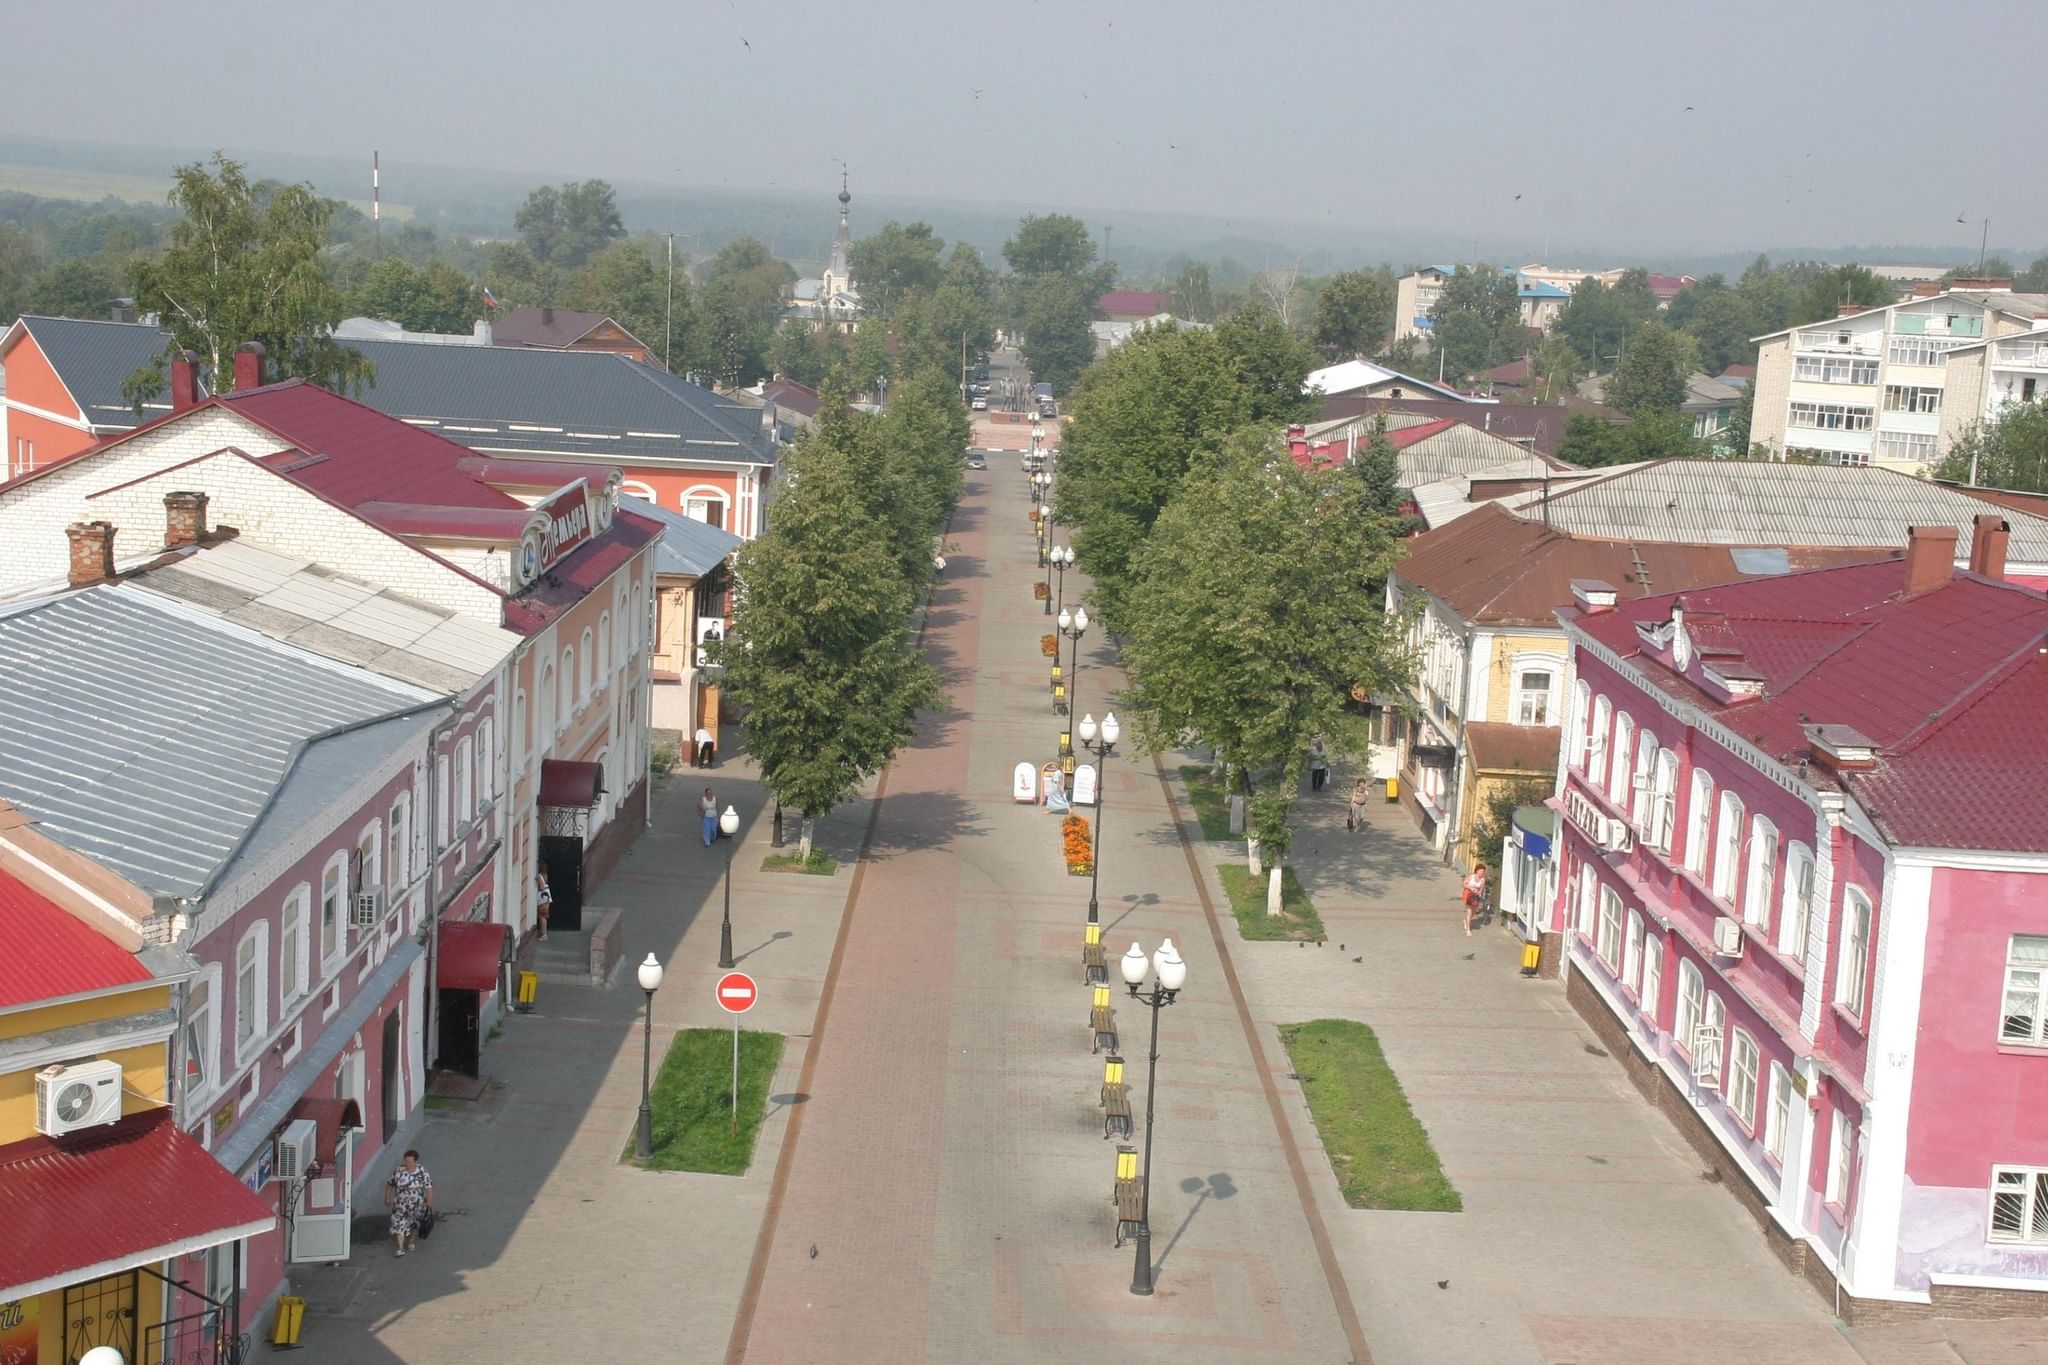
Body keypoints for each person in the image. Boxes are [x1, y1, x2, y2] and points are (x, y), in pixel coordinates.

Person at [385, 1149, 433, 1257]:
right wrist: (387, 1198)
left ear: (415, 1161)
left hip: (417, 1204)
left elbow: (429, 1188)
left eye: (410, 1162)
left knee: (414, 1224)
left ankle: (411, 1241)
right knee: (399, 1224)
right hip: (400, 1205)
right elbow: (390, 1185)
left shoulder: (422, 1171)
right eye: (406, 1161)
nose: (407, 1164)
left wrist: (429, 1203)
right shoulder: (399, 1171)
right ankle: (400, 1248)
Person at [1462, 864, 1490, 936]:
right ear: (1476, 870)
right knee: (1469, 911)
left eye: (1483, 872)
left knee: (1474, 912)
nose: (1481, 873)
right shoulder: (1471, 876)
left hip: (1476, 896)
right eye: (1480, 871)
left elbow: (1481, 889)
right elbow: (1464, 884)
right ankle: (1468, 929)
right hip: (1468, 894)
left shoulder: (1482, 879)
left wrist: (1479, 892)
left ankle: (1466, 921)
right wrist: (1471, 888)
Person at [535, 868, 552, 942]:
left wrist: (538, 886)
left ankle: (544, 934)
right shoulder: (545, 875)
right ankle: (543, 933)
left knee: (542, 916)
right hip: (546, 898)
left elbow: (542, 886)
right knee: (543, 916)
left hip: (543, 900)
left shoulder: (540, 876)